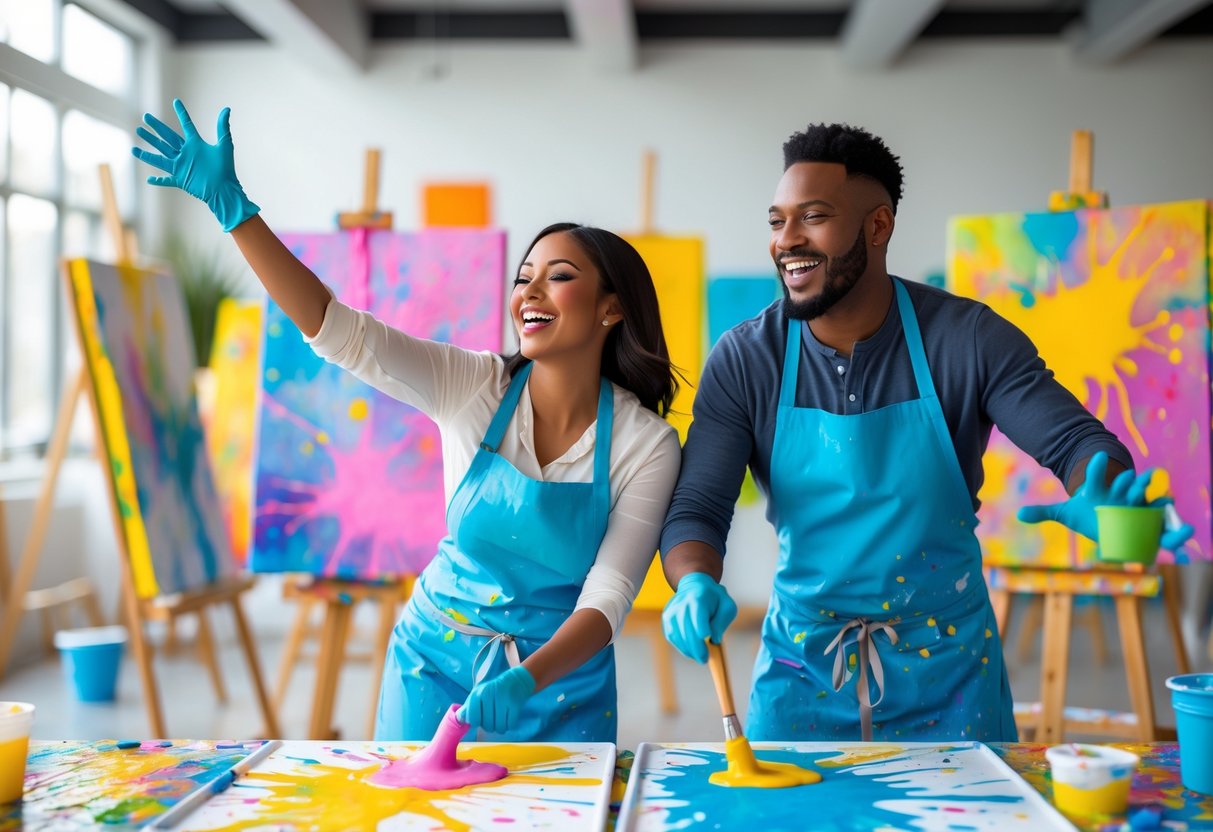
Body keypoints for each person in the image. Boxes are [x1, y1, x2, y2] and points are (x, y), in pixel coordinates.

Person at [132, 100, 682, 743]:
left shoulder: (646, 445)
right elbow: (340, 332)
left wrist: (528, 678)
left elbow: (607, 599)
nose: (529, 293)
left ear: (611, 309)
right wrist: (236, 212)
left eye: (558, 278)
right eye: (523, 278)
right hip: (432, 660)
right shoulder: (473, 385)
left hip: (561, 680)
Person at [657, 122, 1190, 743]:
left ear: (878, 226)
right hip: (803, 669)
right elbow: (699, 506)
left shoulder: (966, 339)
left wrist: (1103, 487)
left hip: (952, 676)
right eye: (778, 221)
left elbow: (1076, 442)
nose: (787, 241)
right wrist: (694, 579)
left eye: (814, 217)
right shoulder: (747, 358)